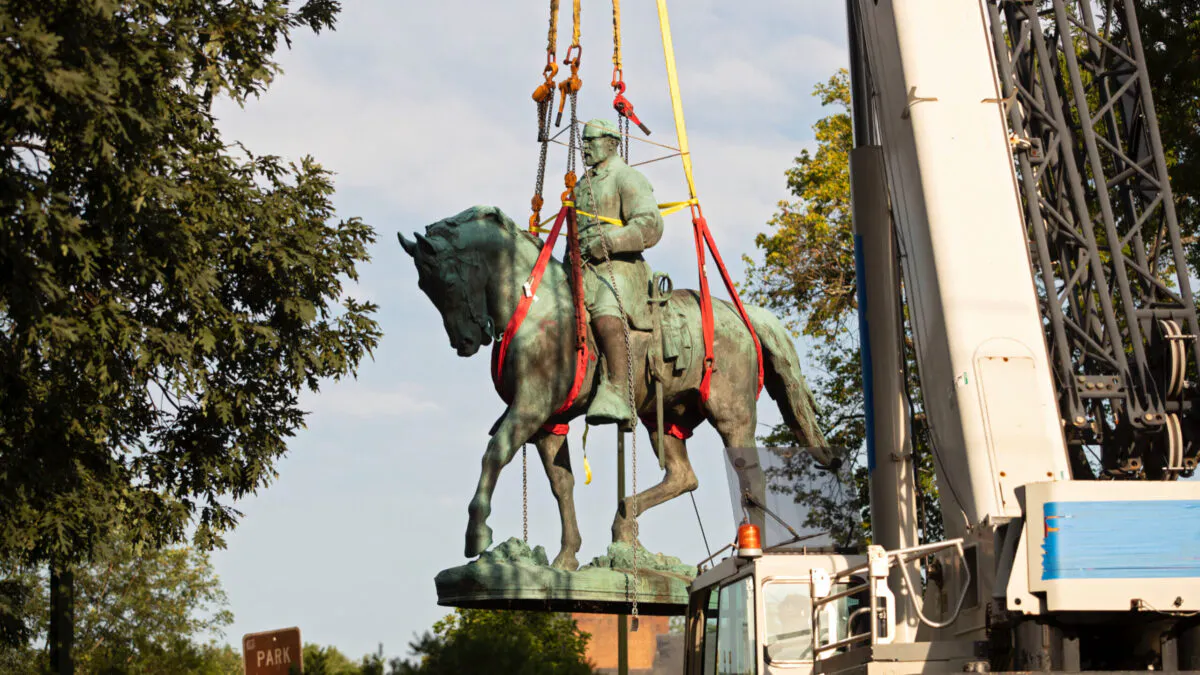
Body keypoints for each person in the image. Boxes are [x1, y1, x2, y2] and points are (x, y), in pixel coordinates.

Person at [572, 118, 664, 426]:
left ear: (611, 142)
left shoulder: (627, 177)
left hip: (621, 268)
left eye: (591, 141)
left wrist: (610, 241)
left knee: (606, 310)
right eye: (583, 141)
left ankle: (618, 390)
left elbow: (650, 225)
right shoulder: (583, 184)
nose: (584, 147)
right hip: (584, 268)